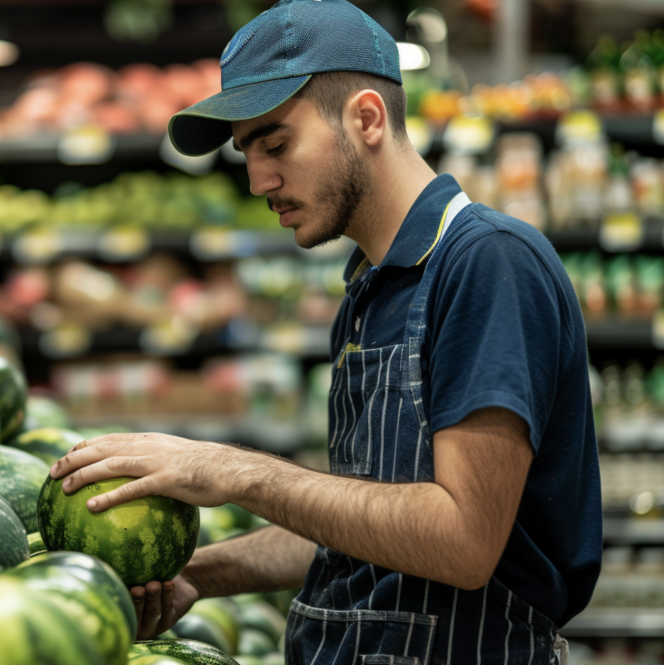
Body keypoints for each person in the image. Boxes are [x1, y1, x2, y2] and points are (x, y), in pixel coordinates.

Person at [50, 0, 602, 663]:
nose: (258, 180)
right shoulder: (373, 285)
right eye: (247, 151)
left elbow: (462, 541)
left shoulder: (488, 263)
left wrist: (231, 470)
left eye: (276, 143)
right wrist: (199, 573)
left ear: (366, 118)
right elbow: (367, 524)